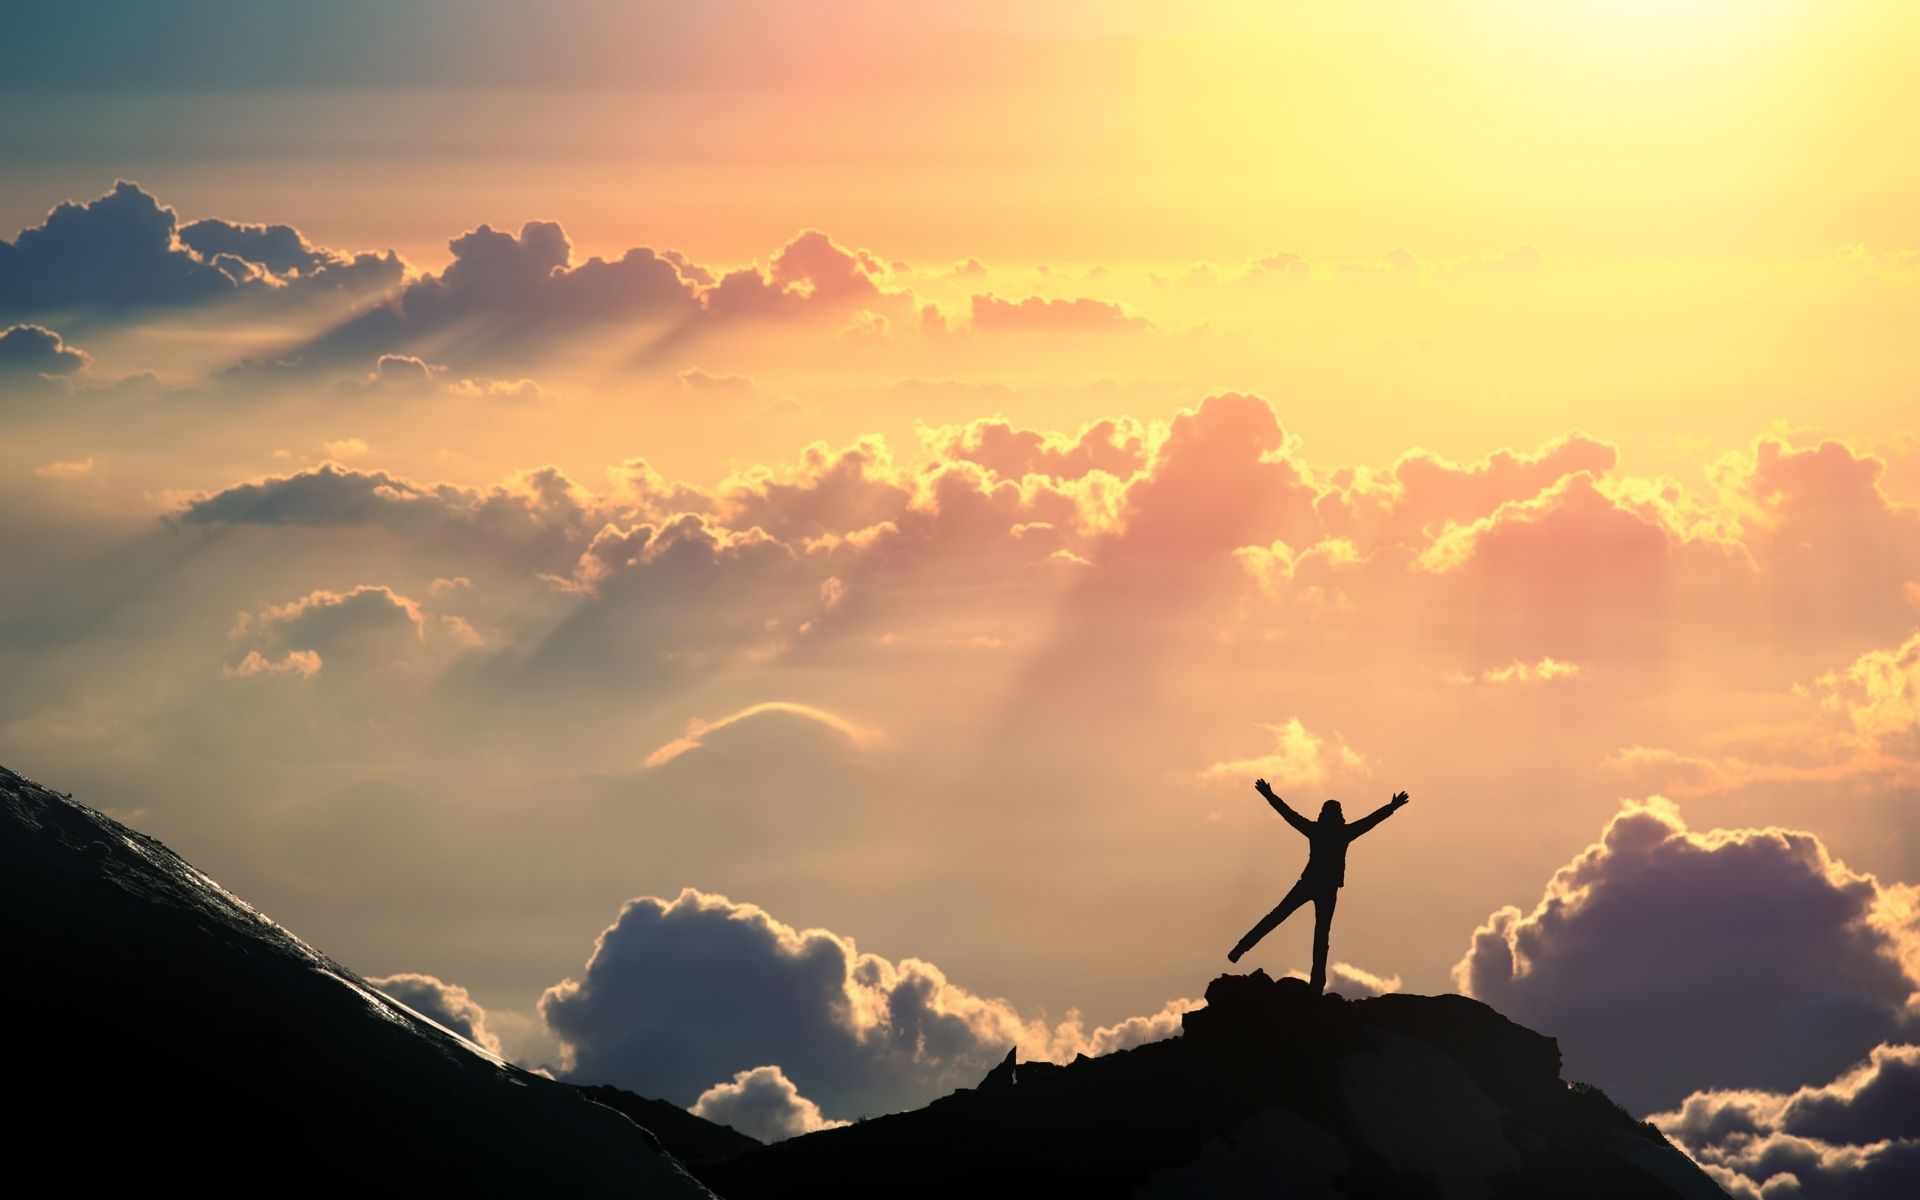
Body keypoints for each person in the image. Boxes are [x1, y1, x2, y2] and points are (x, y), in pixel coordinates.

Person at [1227, 779, 1410, 993]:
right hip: (1321, 886)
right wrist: (1392, 807)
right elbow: (1370, 821)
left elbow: (1289, 814)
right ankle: (1314, 984)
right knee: (1318, 934)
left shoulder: (1320, 830)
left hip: (1314, 884)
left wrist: (1268, 794)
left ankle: (1242, 950)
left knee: (1284, 919)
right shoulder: (1341, 833)